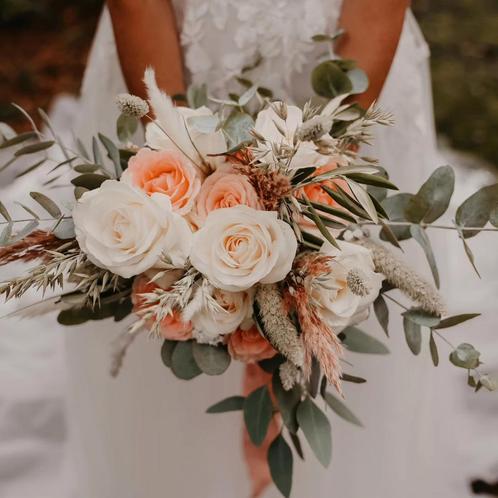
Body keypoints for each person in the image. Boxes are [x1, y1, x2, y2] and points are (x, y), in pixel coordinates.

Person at [63, 1, 448, 497]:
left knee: (353, 299)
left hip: (347, 60)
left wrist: (317, 187)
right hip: (169, 61)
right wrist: (182, 168)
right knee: (167, 312)